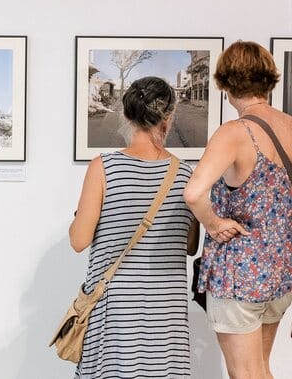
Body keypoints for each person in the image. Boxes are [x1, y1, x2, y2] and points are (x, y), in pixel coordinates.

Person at [184, 41, 292, 379]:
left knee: (245, 375)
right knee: (260, 371)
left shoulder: (234, 132)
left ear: (226, 85)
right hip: (282, 272)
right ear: (269, 80)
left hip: (239, 273)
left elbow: (194, 192)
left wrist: (212, 223)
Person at [70, 76, 199, 379]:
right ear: (169, 116)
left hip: (114, 311)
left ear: (126, 114)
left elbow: (78, 240)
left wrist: (81, 216)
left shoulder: (103, 168)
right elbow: (189, 246)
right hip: (166, 315)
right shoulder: (186, 175)